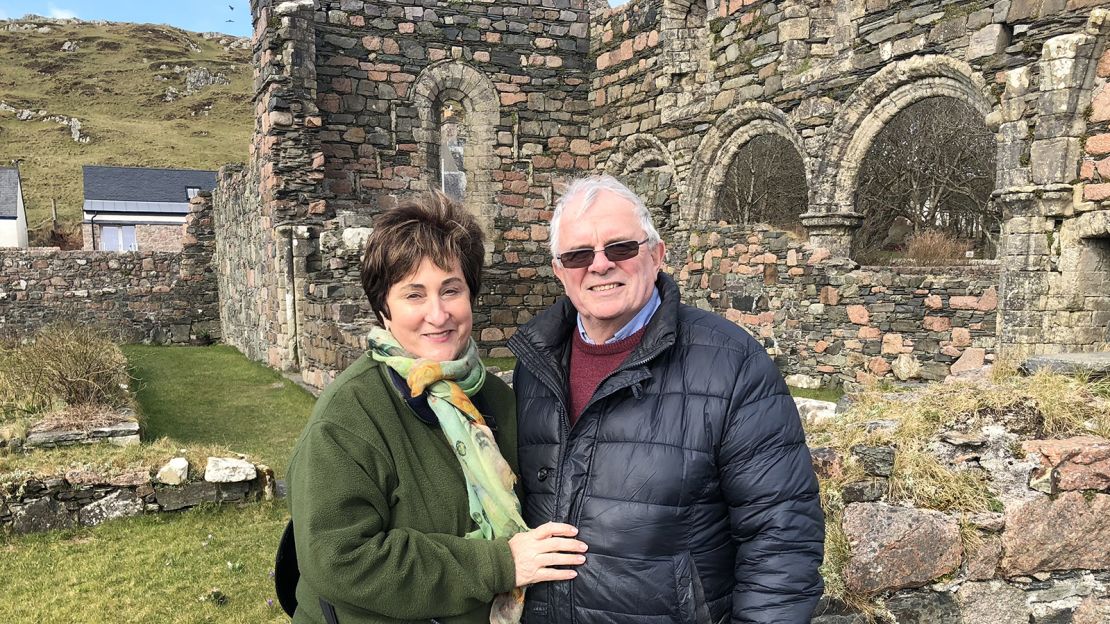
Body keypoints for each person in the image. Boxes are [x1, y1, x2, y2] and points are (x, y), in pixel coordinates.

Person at [507, 176, 824, 623]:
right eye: (578, 254)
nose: (599, 266)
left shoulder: (730, 364)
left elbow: (781, 538)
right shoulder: (534, 366)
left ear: (656, 254)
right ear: (560, 272)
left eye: (620, 248)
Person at [287, 192, 587, 624]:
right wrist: (500, 565)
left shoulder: (495, 401)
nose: (438, 313)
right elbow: (339, 558)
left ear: (472, 296)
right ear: (384, 310)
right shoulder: (350, 416)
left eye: (451, 289)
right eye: (414, 294)